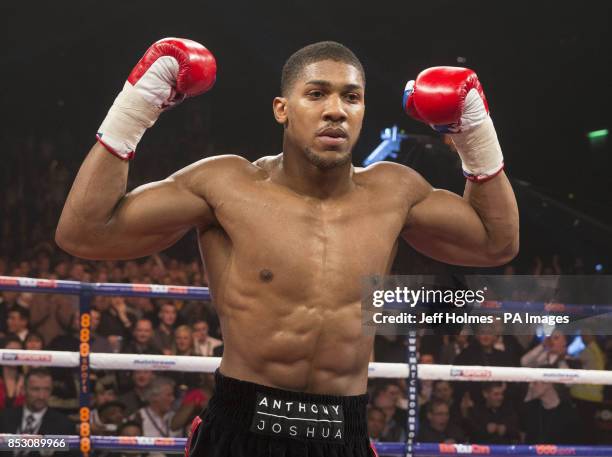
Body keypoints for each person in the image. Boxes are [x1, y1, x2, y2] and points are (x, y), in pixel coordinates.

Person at [56, 39, 519, 456]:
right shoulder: (227, 185)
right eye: (316, 94)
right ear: (282, 108)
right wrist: (138, 103)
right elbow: (84, 232)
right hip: (241, 428)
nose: (336, 110)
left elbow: (496, 243)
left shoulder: (395, 192)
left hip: (344, 431)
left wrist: (474, 131)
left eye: (351, 97)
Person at [0, 368, 76, 457]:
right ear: (24, 390)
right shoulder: (3, 418)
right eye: (36, 389)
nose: (41, 396)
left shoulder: (64, 425)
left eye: (46, 389)